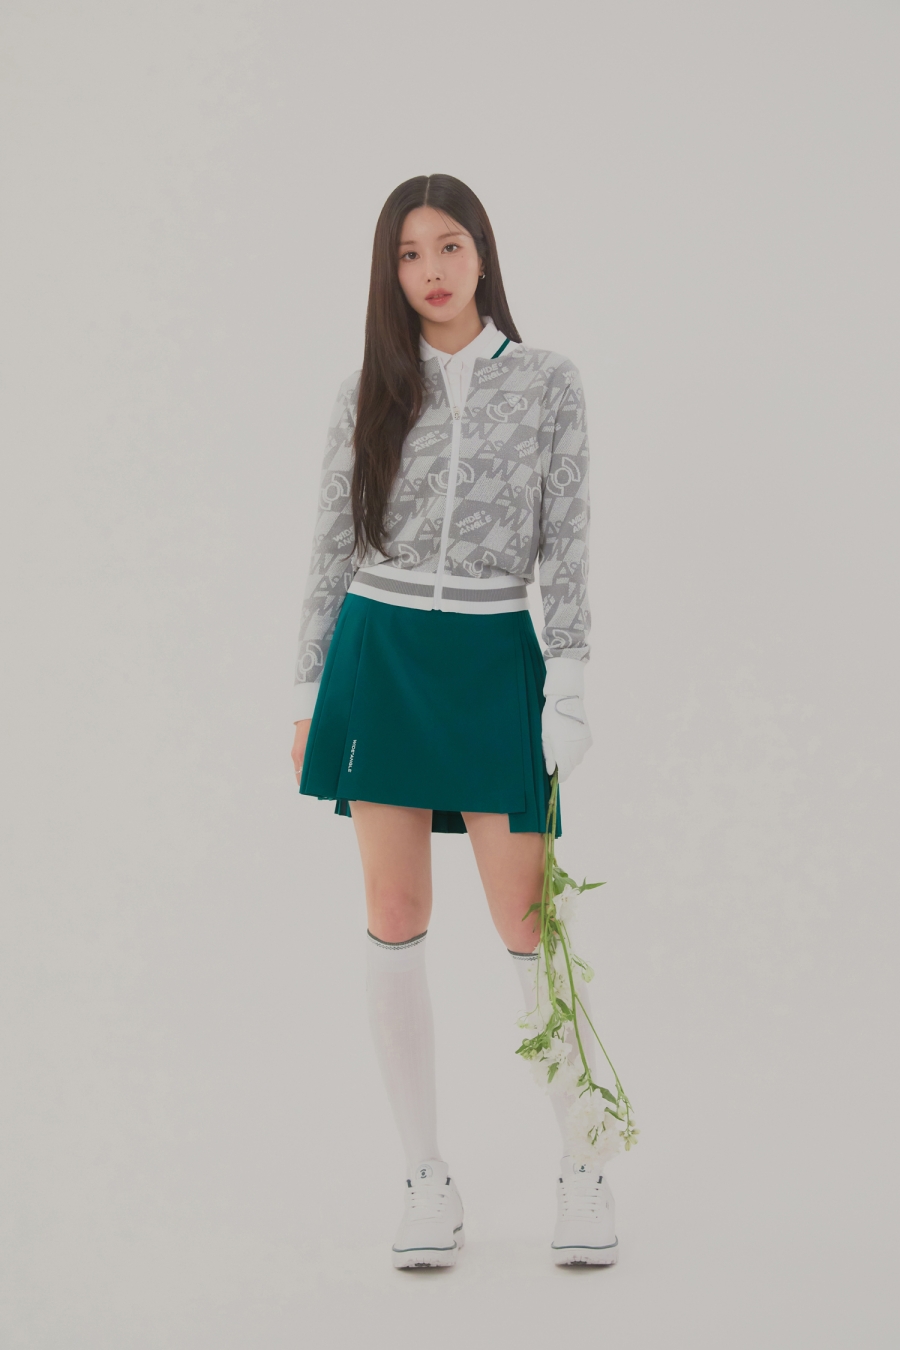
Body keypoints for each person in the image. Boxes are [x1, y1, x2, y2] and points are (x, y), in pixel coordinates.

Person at [290, 175, 615, 1268]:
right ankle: (425, 1178)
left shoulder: (549, 382)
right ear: (389, 273)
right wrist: (307, 694)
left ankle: (584, 1165)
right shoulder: (367, 390)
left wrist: (568, 684)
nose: (431, 270)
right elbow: (330, 548)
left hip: (490, 657)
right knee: (393, 908)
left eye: (449, 245)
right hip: (379, 654)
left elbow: (567, 539)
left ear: (484, 253)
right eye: (408, 254)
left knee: (528, 918)